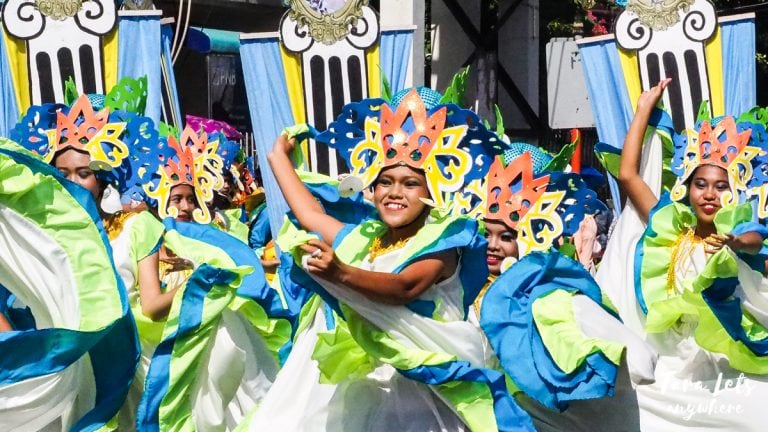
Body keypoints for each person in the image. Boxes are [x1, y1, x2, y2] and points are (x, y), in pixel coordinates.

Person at [244, 87, 532, 430]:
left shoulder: (443, 242)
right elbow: (309, 214)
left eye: (410, 183)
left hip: (427, 396)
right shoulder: (366, 240)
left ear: (432, 190)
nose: (395, 192)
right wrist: (278, 157)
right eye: (385, 182)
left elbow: (405, 286)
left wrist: (341, 274)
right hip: (377, 386)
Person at [596, 78, 768, 430]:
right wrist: (643, 108)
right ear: (687, 188)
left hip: (722, 363)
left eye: (721, 186)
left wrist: (734, 242)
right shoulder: (669, 227)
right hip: (670, 364)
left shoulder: (738, 235)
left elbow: (754, 240)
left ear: (733, 192)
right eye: (700, 184)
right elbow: (628, 175)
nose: (709, 194)